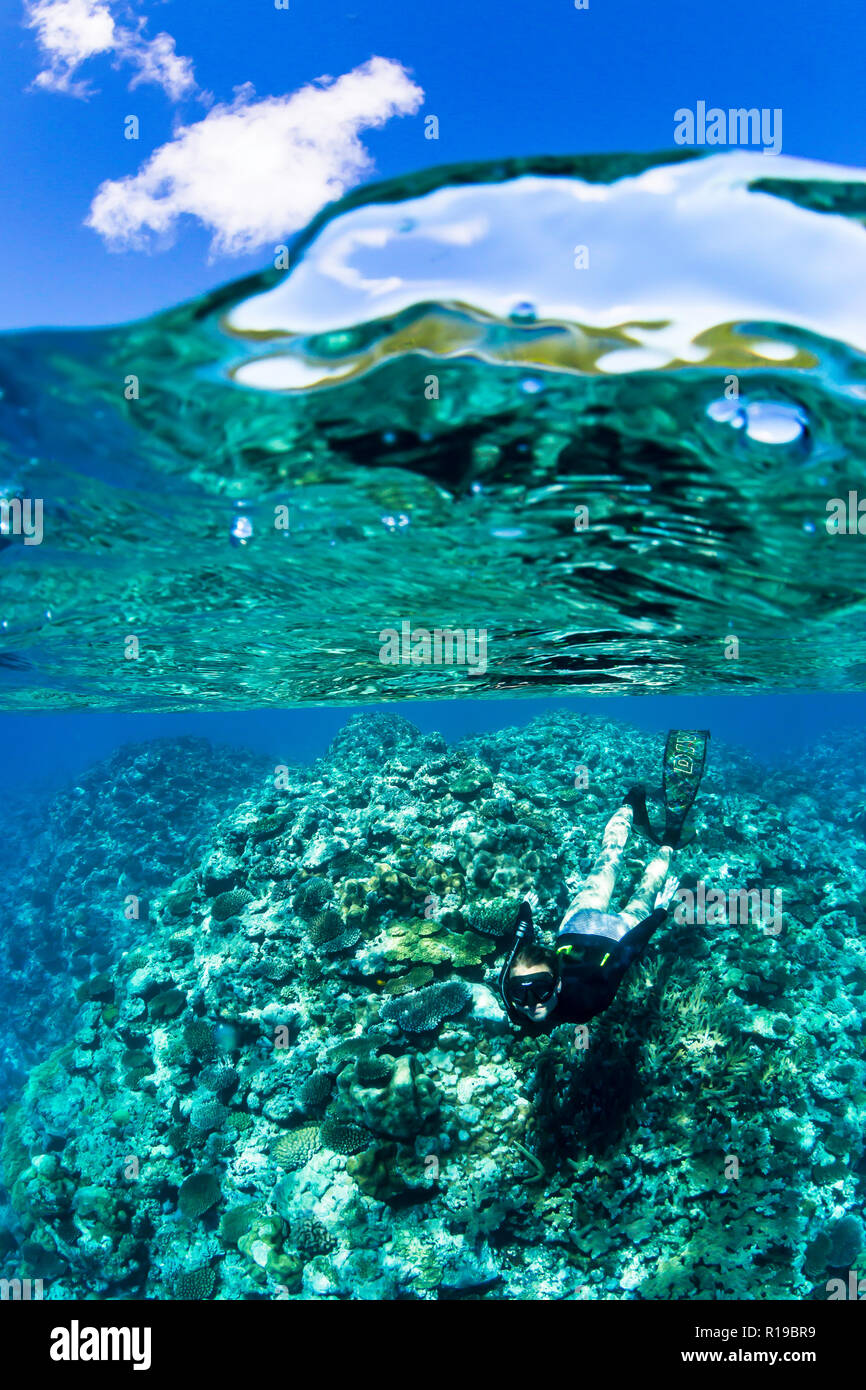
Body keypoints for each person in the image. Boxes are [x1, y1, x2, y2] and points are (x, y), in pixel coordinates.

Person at [499, 791, 680, 1032]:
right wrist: (525, 912)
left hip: (612, 935)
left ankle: (663, 837)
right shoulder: (509, 994)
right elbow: (519, 946)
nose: (531, 1003)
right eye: (520, 993)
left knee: (647, 890)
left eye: (541, 989)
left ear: (558, 984)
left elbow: (625, 953)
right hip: (578, 927)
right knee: (608, 860)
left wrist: (659, 914)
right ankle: (638, 812)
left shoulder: (587, 1003)